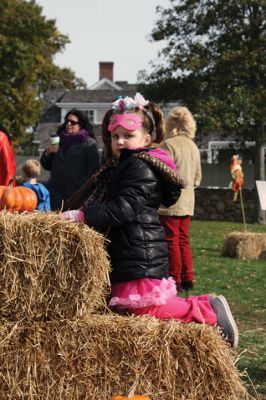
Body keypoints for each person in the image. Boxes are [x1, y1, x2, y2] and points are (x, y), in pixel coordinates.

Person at [61, 94, 238, 348]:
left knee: (149, 310)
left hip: (140, 254)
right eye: (115, 136)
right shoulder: (121, 166)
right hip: (129, 253)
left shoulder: (139, 167)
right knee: (134, 313)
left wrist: (83, 216)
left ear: (146, 139)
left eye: (128, 135)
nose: (120, 141)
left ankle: (207, 312)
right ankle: (202, 309)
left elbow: (125, 208)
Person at [159, 106, 202, 292]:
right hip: (188, 199)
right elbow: (198, 177)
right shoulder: (193, 146)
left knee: (171, 240)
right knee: (183, 239)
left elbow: (165, 173)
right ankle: (188, 277)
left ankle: (174, 278)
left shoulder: (169, 145)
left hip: (171, 200)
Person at [40, 109, 100, 210]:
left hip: (76, 195)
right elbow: (46, 165)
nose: (68, 124)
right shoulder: (58, 139)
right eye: (67, 121)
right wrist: (47, 153)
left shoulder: (89, 144)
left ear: (80, 124)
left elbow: (93, 171)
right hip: (55, 193)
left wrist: (83, 191)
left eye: (73, 122)